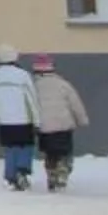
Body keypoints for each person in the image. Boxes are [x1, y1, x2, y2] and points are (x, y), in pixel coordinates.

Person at [0, 45, 38, 190]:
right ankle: (22, 170)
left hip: (4, 120)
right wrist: (37, 119)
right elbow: (32, 98)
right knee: (25, 145)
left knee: (10, 148)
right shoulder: (23, 75)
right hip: (23, 118)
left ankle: (11, 176)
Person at [31, 53, 90, 192]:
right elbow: (75, 104)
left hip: (44, 128)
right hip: (63, 127)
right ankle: (63, 168)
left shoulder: (33, 87)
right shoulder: (63, 84)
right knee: (64, 152)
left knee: (50, 154)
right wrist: (82, 119)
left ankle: (52, 174)